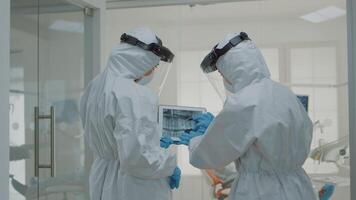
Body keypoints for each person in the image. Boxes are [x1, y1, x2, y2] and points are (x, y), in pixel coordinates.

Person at [179, 32, 317, 200]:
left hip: (261, 191)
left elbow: (210, 156)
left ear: (232, 69)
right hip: (299, 187)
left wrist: (197, 140)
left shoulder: (243, 102)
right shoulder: (285, 93)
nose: (223, 79)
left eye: (222, 74)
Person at [80, 27, 180, 200]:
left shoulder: (94, 87)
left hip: (102, 176)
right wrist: (169, 164)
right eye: (153, 66)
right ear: (141, 61)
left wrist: (151, 139)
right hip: (133, 186)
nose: (152, 72)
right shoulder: (135, 94)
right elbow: (137, 157)